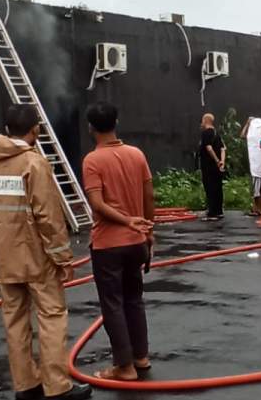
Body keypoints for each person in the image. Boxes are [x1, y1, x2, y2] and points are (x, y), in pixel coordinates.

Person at [0, 104, 92, 400]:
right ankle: (57, 387)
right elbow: (49, 218)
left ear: (7, 129)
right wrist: (63, 258)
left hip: (6, 259)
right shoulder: (34, 163)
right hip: (37, 258)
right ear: (35, 129)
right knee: (52, 317)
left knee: (15, 323)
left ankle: (26, 385)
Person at [81, 102, 157, 382]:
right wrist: (148, 230)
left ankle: (124, 368)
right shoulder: (136, 154)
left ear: (90, 127)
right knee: (134, 299)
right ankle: (141, 357)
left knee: (112, 304)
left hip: (108, 245)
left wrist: (126, 221)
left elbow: (97, 205)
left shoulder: (93, 160)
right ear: (116, 122)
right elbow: (149, 196)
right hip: (136, 241)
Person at [198, 113, 226, 221]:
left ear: (205, 121)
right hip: (217, 167)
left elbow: (208, 148)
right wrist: (222, 162)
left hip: (209, 166)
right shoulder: (217, 133)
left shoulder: (206, 133)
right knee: (218, 187)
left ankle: (212, 212)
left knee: (209, 187)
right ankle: (219, 211)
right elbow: (223, 148)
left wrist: (216, 160)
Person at [240, 116, 261, 217]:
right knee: (256, 189)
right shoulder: (252, 134)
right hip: (255, 164)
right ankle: (257, 208)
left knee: (260, 189)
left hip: (260, 164)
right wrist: (247, 124)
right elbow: (242, 135)